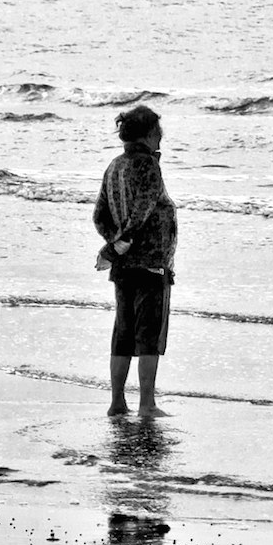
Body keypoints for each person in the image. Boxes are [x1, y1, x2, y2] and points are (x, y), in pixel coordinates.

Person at [93, 104, 177, 417]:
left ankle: (117, 402)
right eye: (158, 130)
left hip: (124, 268)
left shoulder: (114, 165)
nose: (162, 136)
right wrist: (122, 243)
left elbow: (99, 215)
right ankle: (147, 404)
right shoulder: (148, 166)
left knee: (123, 333)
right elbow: (143, 209)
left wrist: (113, 243)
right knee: (149, 336)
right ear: (147, 133)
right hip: (151, 262)